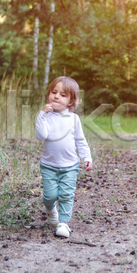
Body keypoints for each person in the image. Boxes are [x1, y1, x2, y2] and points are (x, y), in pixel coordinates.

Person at [35, 76, 93, 238]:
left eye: (63, 95)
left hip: (70, 166)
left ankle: (63, 223)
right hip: (49, 165)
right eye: (54, 92)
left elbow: (80, 141)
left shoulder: (73, 119)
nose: (56, 97)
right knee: (49, 196)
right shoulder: (45, 117)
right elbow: (41, 135)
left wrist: (86, 157)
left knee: (66, 194)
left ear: (70, 101)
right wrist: (41, 115)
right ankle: (51, 210)